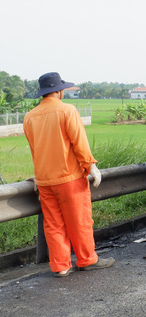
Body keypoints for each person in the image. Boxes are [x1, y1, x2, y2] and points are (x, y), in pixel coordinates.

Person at [23, 72, 115, 277]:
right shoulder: (67, 111)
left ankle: (61, 266)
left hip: (45, 180)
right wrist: (90, 165)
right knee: (79, 221)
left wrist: (38, 175)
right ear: (58, 91)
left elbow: (34, 149)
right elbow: (78, 142)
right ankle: (87, 259)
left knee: (54, 224)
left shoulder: (29, 116)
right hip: (69, 178)